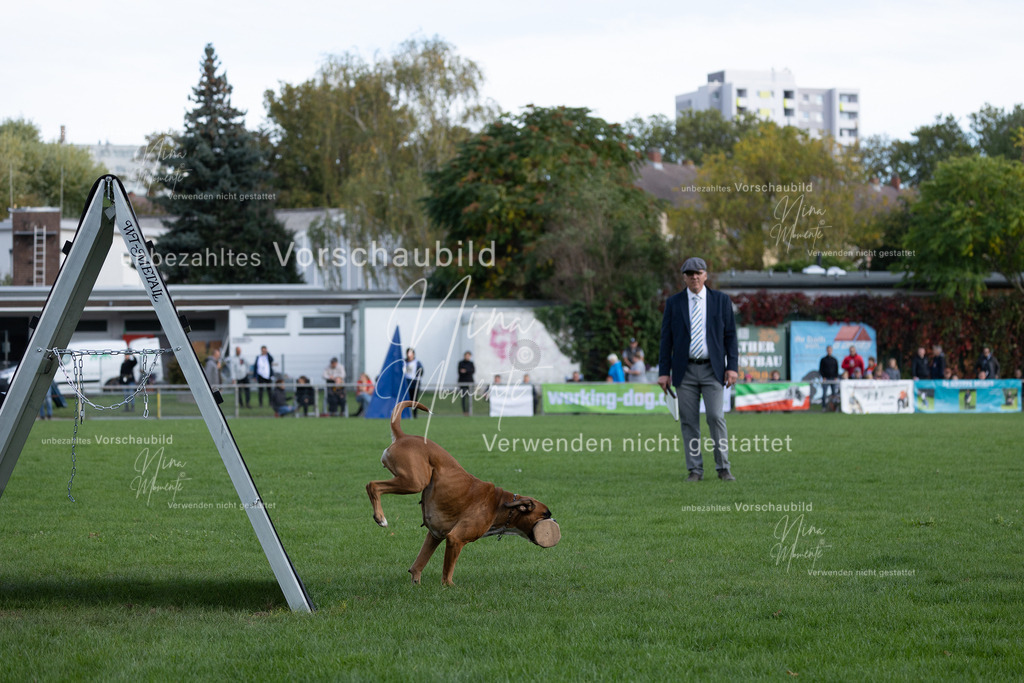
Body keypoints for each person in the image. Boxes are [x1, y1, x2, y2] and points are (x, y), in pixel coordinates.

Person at [658, 256, 738, 482]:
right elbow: (666, 340)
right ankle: (695, 470)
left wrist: (732, 367)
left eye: (698, 272)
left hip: (713, 369)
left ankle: (723, 468)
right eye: (689, 273)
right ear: (684, 277)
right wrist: (663, 372)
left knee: (715, 417)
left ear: (705, 275)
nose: (694, 277)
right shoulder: (674, 303)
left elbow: (730, 336)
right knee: (689, 421)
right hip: (685, 371)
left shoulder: (721, 301)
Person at [404, 348, 424, 418]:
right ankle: (407, 415)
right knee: (407, 400)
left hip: (415, 383)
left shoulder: (417, 363)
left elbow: (421, 372)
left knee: (414, 399)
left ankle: (415, 415)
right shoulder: (404, 362)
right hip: (406, 382)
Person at [819, 345, 839, 411]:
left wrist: (836, 377)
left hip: (833, 379)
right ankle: (824, 407)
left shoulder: (834, 360)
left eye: (830, 350)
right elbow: (821, 369)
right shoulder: (823, 359)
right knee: (824, 393)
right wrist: (823, 377)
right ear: (826, 350)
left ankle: (834, 407)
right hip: (826, 379)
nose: (829, 351)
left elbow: (836, 369)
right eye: (828, 350)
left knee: (834, 394)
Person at [457, 351, 475, 416]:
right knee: (464, 398)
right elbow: (459, 371)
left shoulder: (471, 363)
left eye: (468, 356)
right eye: (466, 355)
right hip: (463, 383)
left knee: (470, 398)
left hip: (470, 383)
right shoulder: (461, 363)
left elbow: (472, 371)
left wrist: (466, 370)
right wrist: (467, 371)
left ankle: (470, 411)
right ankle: (465, 412)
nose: (467, 357)